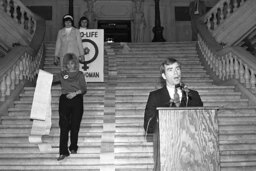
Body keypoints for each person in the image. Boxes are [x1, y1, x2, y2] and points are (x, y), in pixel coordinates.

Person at [144, 57, 203, 134]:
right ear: (164, 76)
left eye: (177, 69)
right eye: (170, 70)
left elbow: (202, 122)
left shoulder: (193, 95)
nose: (176, 72)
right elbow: (148, 128)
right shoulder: (155, 96)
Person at [52, 53, 87, 161]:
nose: (70, 65)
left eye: (72, 63)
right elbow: (51, 79)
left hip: (77, 100)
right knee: (64, 126)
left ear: (75, 63)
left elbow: (84, 89)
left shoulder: (80, 74)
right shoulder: (62, 74)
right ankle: (63, 152)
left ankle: (73, 147)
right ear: (65, 65)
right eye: (68, 63)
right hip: (64, 100)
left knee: (75, 125)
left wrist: (75, 93)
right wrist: (38, 74)